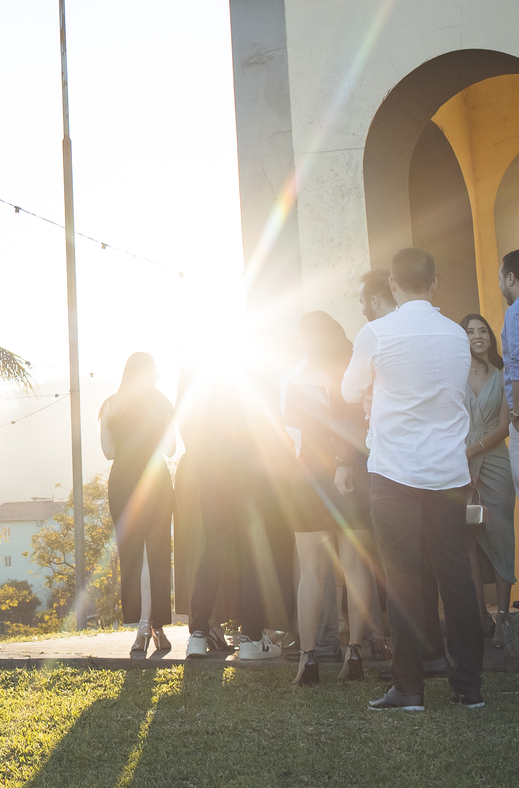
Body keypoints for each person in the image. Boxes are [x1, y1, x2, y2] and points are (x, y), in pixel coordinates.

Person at [344, 246, 484, 711]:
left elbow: (349, 389)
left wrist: (375, 390)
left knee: (402, 578)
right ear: (435, 283)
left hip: (395, 472)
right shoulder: (456, 335)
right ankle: (468, 686)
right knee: (456, 575)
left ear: (392, 284)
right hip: (448, 472)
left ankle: (409, 687)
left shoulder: (376, 332)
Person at [284, 313, 375, 687]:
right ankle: (354, 653)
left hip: (311, 476)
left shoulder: (297, 379)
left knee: (310, 570)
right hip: (355, 472)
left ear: (310, 339)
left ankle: (308, 659)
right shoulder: (353, 376)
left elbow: (291, 433)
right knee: (355, 567)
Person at [184, 373, 287, 663]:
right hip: (248, 486)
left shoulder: (204, 408)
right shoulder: (251, 403)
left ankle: (198, 635)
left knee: (212, 554)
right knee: (253, 558)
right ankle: (252, 638)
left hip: (211, 485)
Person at [98, 353, 175, 656]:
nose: (157, 376)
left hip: (123, 482)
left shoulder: (110, 405)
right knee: (158, 553)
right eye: (154, 371)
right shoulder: (162, 403)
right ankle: (157, 626)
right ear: (148, 373)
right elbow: (171, 448)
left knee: (132, 554)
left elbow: (108, 451)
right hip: (155, 480)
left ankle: (142, 625)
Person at [459, 314, 513, 629]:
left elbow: (505, 427)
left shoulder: (503, 375)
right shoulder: (452, 376)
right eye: (469, 332)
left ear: (490, 337)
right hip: (458, 465)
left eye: (482, 331)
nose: (477, 336)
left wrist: (472, 451)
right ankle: (481, 618)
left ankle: (504, 619)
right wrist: (461, 457)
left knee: (503, 537)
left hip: (494, 462)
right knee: (467, 543)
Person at [499, 251, 519, 499]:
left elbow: (517, 363)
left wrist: (517, 415)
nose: (500, 284)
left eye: (500, 278)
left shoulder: (515, 312)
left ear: (511, 278)